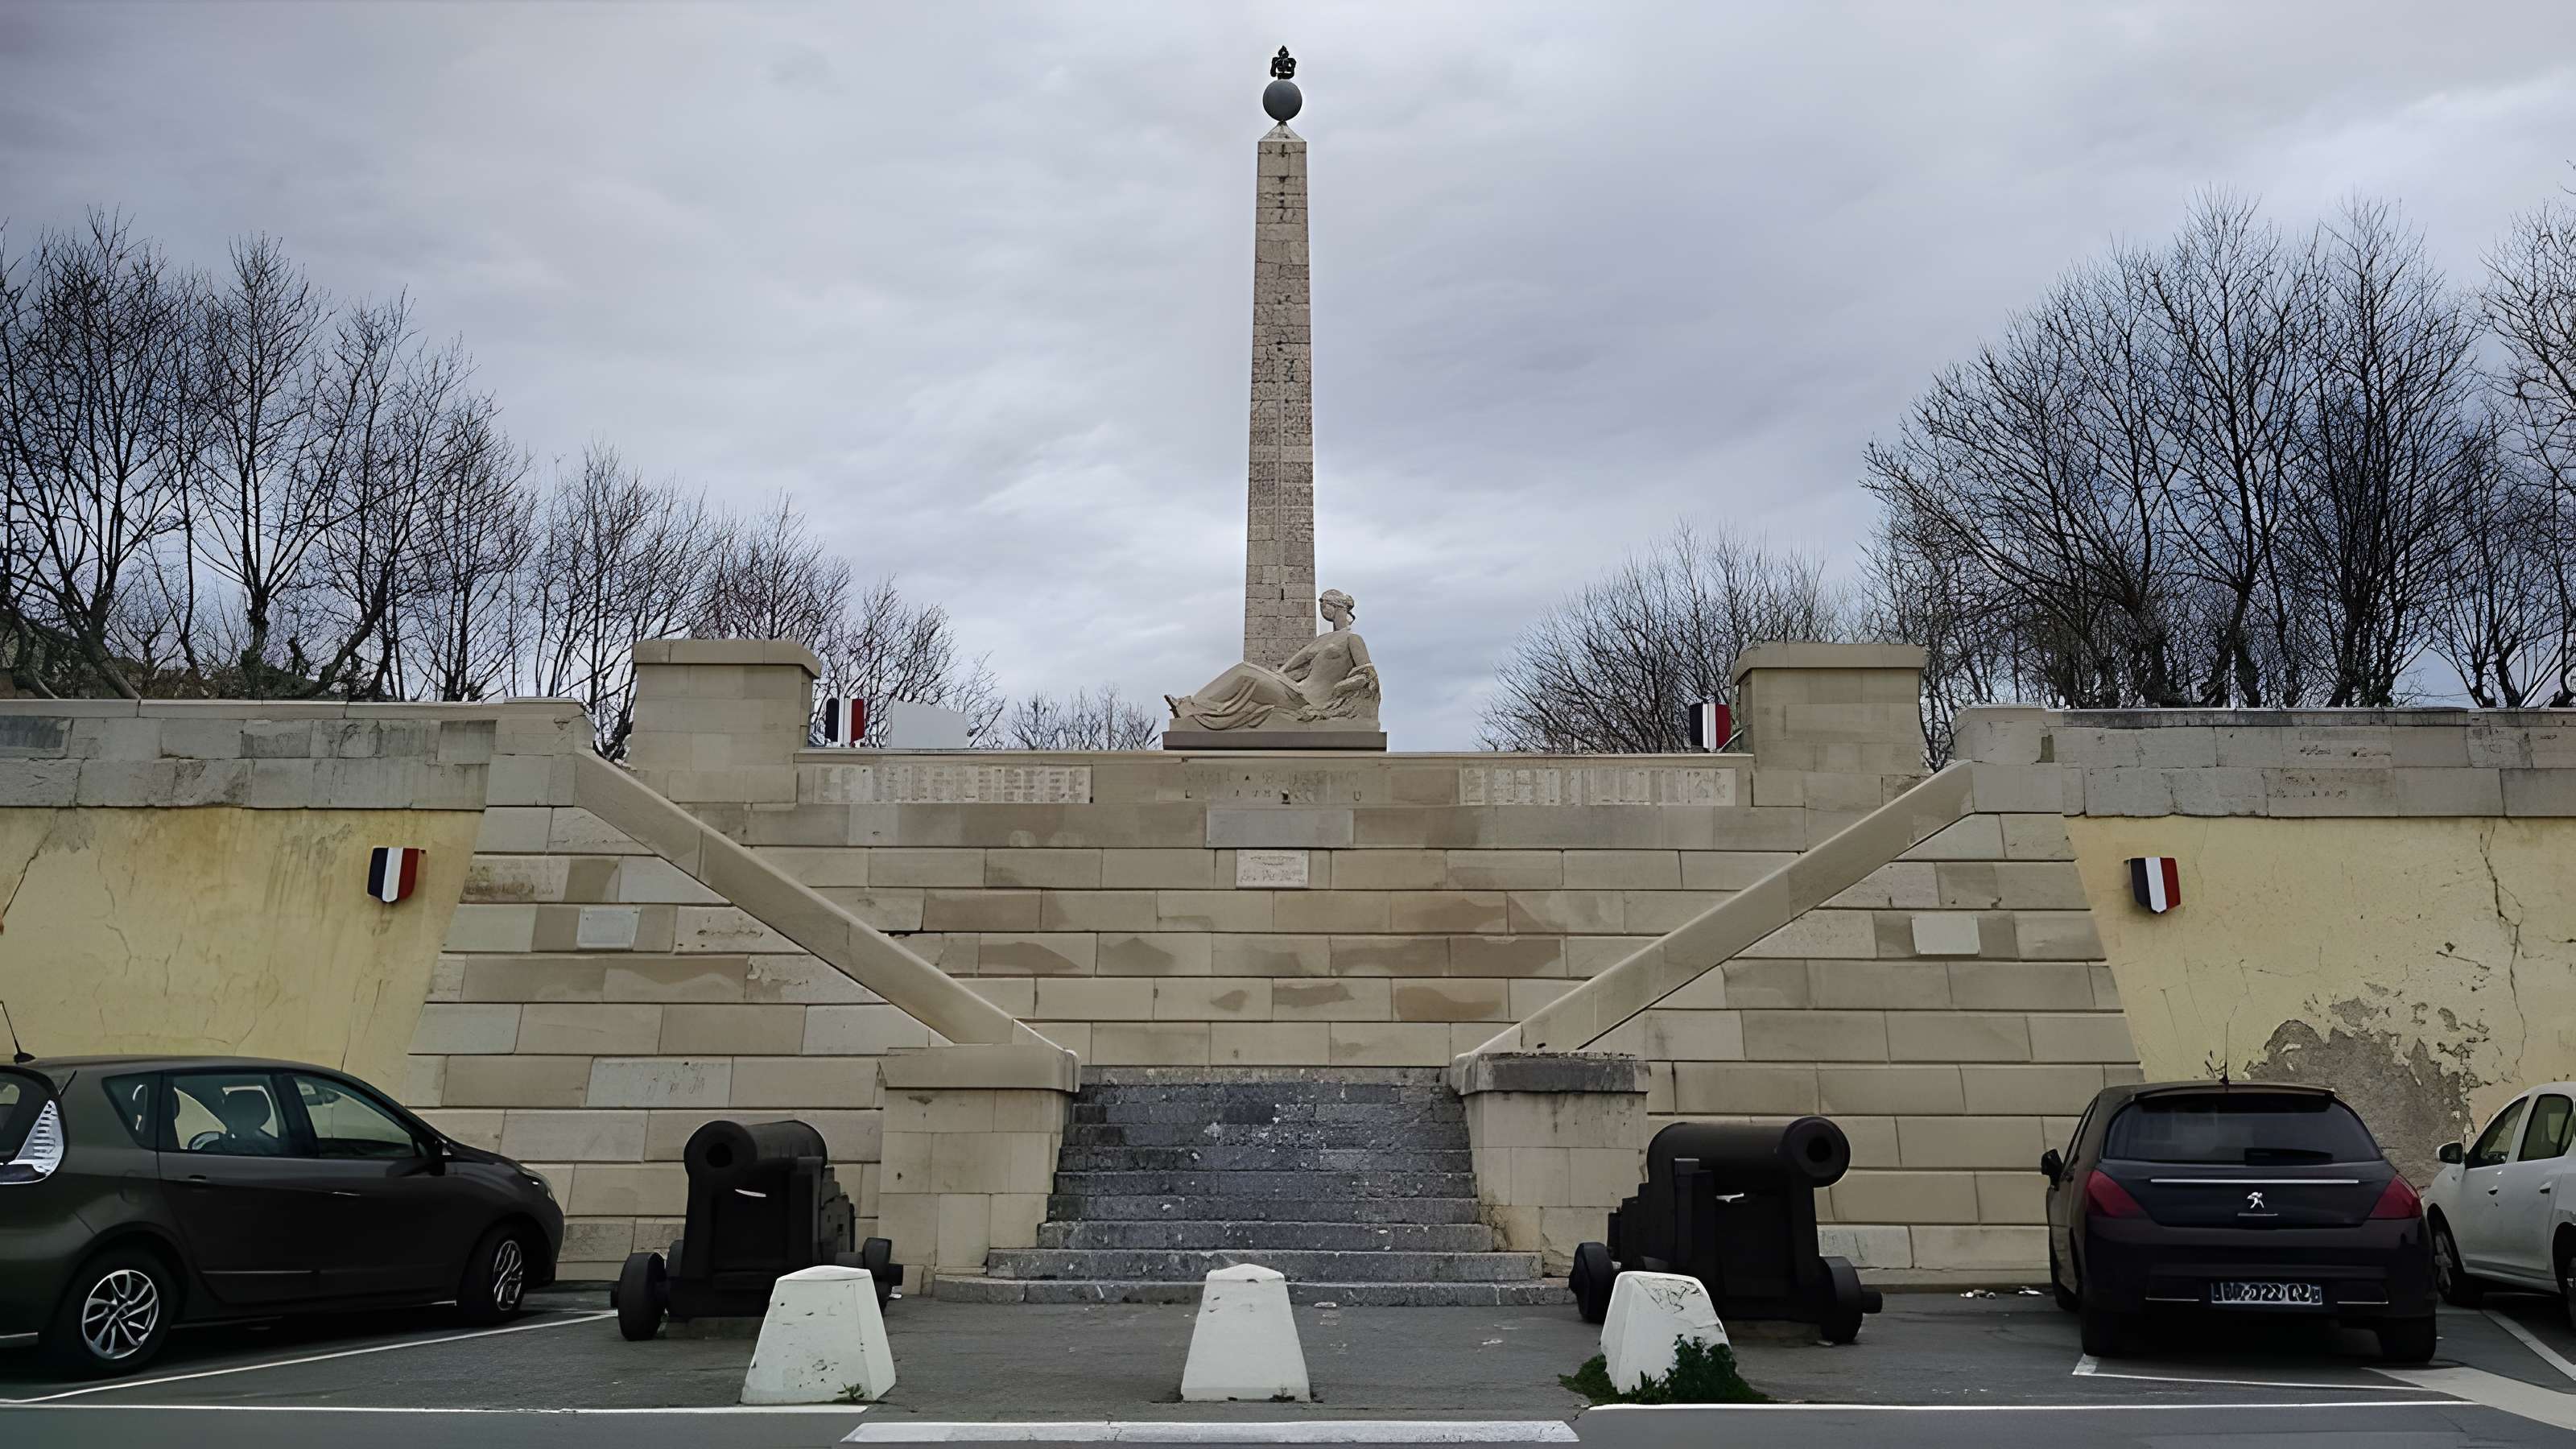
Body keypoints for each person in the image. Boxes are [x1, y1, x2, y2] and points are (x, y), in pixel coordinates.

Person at [1168, 588, 1378, 730]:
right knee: (1247, 671)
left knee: (1244, 673)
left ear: (1337, 606)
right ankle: (1196, 707)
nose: (1322, 609)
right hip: (1295, 690)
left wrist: (1340, 693)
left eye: (1325, 605)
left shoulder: (1353, 639)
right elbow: (1294, 663)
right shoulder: (1324, 639)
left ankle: (1192, 708)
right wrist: (1274, 676)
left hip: (1310, 700)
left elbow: (1368, 676)